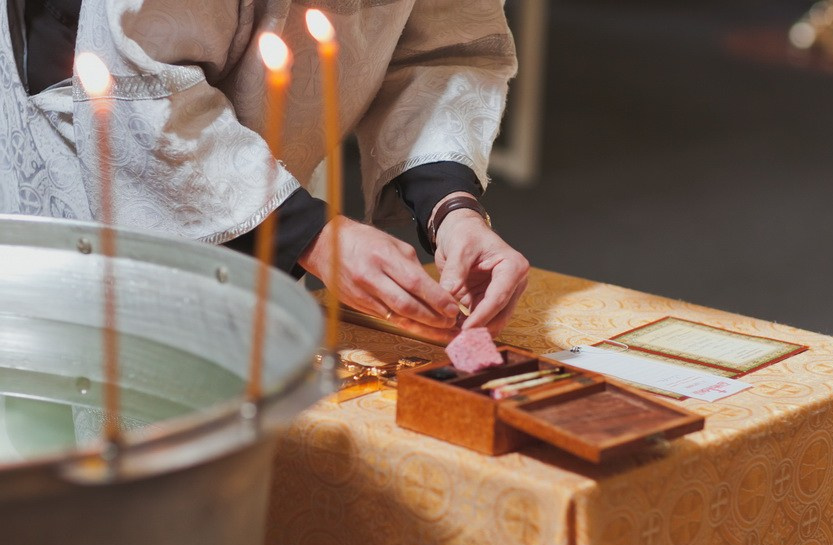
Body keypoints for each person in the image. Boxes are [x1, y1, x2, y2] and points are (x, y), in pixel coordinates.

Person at [1, 0, 528, 340]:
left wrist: (452, 208)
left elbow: (438, 48)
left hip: (268, 159)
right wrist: (310, 232)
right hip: (100, 137)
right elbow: (143, 81)